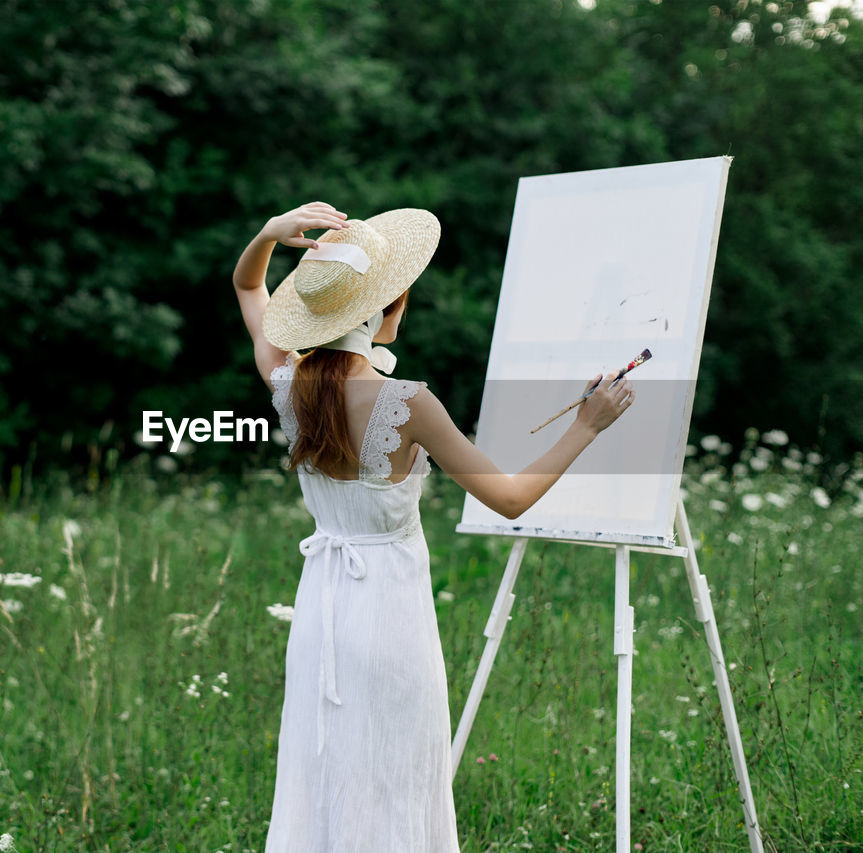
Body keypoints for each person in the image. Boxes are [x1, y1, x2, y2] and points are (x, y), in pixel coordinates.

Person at [233, 201, 633, 851]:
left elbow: (248, 286)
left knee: (323, 768)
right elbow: (508, 498)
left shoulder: (286, 380)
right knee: (396, 773)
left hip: (321, 614)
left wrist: (268, 233)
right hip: (389, 614)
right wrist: (586, 426)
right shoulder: (407, 402)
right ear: (385, 312)